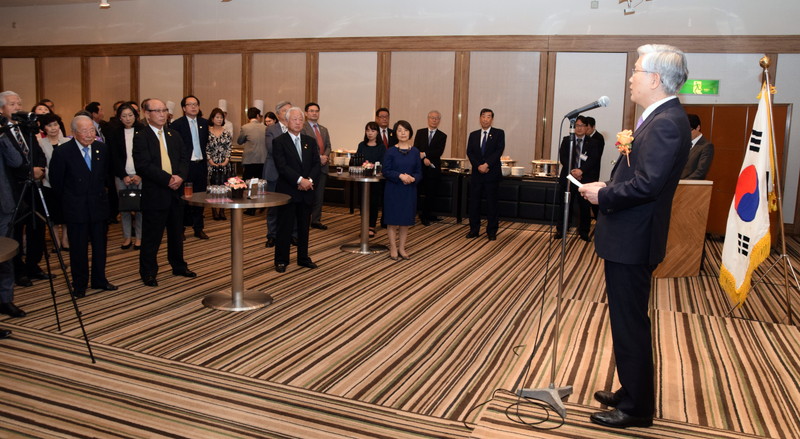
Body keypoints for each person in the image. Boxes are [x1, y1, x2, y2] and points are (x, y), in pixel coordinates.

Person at [578, 44, 691, 429]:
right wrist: (608, 185)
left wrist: (604, 195)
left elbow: (647, 185)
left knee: (630, 324)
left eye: (637, 71)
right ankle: (632, 391)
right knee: (628, 321)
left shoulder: (665, 123)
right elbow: (640, 177)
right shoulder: (661, 118)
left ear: (655, 79)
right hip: (631, 235)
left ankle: (637, 408)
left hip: (633, 239)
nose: (631, 78)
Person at [49, 115, 117, 298]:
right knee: (78, 249)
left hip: (98, 206)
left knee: (100, 246)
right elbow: (57, 183)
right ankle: (79, 284)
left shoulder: (101, 148)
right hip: (76, 208)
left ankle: (99, 279)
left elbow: (106, 176)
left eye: (92, 130)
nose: (89, 134)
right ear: (74, 132)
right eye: (84, 131)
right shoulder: (63, 152)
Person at [132, 98, 195, 287]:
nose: (162, 114)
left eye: (164, 110)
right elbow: (143, 165)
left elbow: (184, 159)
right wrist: (168, 179)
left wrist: (180, 177)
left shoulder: (173, 134)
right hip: (155, 193)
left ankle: (179, 266)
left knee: (176, 233)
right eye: (157, 111)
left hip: (176, 192)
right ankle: (148, 272)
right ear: (147, 114)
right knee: (152, 236)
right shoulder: (141, 137)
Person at [1, 91, 49, 288]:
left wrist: (40, 169)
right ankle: (18, 270)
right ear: (1, 109)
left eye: (19, 103)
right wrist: (29, 171)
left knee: (37, 225)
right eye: (12, 104)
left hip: (34, 185)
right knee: (16, 230)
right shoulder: (2, 132)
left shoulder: (24, 126)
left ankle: (33, 265)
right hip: (15, 187)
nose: (17, 107)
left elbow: (38, 151)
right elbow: (9, 163)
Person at [272, 106, 321, 273]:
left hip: (307, 191)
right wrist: (300, 180)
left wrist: (309, 181)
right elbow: (282, 166)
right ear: (286, 121)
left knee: (304, 227)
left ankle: (303, 257)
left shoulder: (310, 141)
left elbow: (316, 164)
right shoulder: (279, 141)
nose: (298, 122)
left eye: (301, 119)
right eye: (294, 119)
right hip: (288, 191)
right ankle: (281, 260)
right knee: (284, 227)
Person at [555, 115, 601, 241]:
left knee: (584, 207)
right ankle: (561, 230)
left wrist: (581, 170)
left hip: (584, 179)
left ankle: (584, 232)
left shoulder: (593, 143)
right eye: (577, 126)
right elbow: (563, 157)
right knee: (565, 204)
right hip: (568, 178)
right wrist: (573, 171)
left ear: (586, 127)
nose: (579, 128)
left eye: (582, 126)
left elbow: (593, 160)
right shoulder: (566, 140)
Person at [171, 95, 210, 240]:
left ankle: (198, 228)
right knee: (183, 198)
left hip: (200, 166)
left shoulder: (204, 123)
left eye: (196, 104)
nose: (193, 107)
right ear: (183, 108)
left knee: (200, 198)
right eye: (190, 104)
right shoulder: (177, 124)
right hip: (185, 167)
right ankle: (180, 229)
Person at [383, 120, 422, 260]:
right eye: (399, 130)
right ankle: (393, 247)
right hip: (393, 189)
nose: (403, 133)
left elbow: (419, 172)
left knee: (405, 220)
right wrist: (400, 176)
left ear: (410, 132)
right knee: (392, 220)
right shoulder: (390, 151)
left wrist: (413, 178)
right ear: (395, 133)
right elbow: (386, 171)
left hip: (409, 190)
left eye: (405, 130)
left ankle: (402, 247)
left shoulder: (415, 151)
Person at [108, 102, 144, 250]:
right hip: (122, 176)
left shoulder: (143, 131)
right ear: (119, 118)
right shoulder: (114, 133)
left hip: (140, 176)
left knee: (140, 208)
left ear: (135, 116)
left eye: (130, 115)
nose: (128, 118)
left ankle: (139, 237)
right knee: (124, 208)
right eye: (124, 116)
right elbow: (113, 157)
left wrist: (140, 174)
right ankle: (127, 237)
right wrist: (123, 175)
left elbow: (147, 155)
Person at [0, 112, 26, 319]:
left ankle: (5, 299)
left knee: (4, 254)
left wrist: (3, 136)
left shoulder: (2, 136)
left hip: (4, 204)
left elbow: (17, 161)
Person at [466, 108, 505, 241]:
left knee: (492, 204)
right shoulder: (473, 135)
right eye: (483, 116)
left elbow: (499, 151)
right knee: (474, 204)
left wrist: (487, 164)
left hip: (491, 174)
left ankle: (491, 231)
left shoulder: (499, 133)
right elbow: (470, 152)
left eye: (488, 117)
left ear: (492, 119)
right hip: (477, 175)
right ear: (480, 118)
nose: (485, 119)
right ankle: (474, 230)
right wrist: (478, 166)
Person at [37, 113, 70, 250]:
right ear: (44, 128)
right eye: (49, 125)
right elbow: (42, 165)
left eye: (55, 124)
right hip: (48, 184)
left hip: (67, 185)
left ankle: (65, 240)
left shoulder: (68, 142)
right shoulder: (40, 143)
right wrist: (53, 178)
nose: (53, 128)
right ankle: (56, 241)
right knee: (53, 215)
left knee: (66, 214)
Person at [263, 101, 292, 248]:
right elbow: (272, 149)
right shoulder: (271, 129)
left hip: (291, 174)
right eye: (285, 110)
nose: (288, 113)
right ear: (278, 114)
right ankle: (272, 235)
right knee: (273, 207)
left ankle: (292, 235)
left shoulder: (296, 128)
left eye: (290, 110)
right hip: (274, 172)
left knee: (291, 206)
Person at [413, 110, 447, 226]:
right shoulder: (420, 132)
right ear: (428, 119)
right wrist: (423, 159)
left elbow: (439, 151)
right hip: (420, 168)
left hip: (433, 169)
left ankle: (427, 215)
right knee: (417, 193)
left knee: (431, 194)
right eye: (432, 118)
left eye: (436, 118)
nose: (434, 120)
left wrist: (425, 155)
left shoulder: (442, 136)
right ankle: (416, 214)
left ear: (439, 120)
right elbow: (416, 149)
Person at [301, 102, 331, 230]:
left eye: (316, 111)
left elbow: (328, 146)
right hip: (310, 167)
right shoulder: (303, 128)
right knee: (308, 195)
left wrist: (325, 156)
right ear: (306, 113)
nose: (314, 113)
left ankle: (316, 220)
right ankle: (304, 219)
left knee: (319, 196)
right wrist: (319, 157)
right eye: (311, 111)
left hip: (322, 167)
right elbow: (304, 148)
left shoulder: (324, 129)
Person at [356, 121, 385, 237]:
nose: (370, 133)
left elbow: (383, 163)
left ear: (377, 132)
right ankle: (364, 226)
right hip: (362, 179)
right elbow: (357, 160)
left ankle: (371, 227)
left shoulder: (381, 147)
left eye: (373, 130)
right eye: (367, 130)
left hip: (375, 180)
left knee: (373, 203)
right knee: (363, 203)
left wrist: (372, 166)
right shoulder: (361, 145)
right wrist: (363, 165)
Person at [206, 107, 232, 221]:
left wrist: (225, 161)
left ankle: (222, 211)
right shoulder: (207, 132)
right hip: (211, 163)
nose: (219, 119)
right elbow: (206, 148)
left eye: (221, 117)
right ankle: (214, 211)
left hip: (224, 163)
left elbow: (229, 148)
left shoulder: (226, 132)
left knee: (224, 187)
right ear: (212, 118)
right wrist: (211, 161)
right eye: (217, 117)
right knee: (213, 187)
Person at [681, 113, 714, 179]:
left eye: (689, 130)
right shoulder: (683, 143)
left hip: (690, 184)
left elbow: (700, 172)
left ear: (698, 127)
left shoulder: (706, 146)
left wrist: (684, 182)